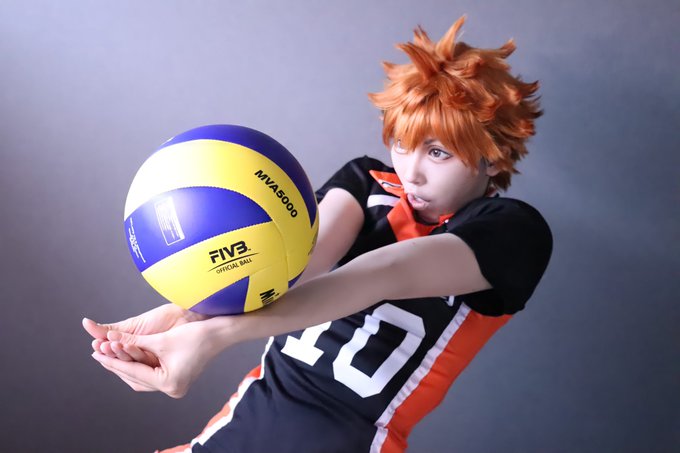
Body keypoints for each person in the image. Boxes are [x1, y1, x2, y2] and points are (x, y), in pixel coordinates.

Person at [83, 16, 552, 453]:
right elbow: (292, 266)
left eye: (438, 153)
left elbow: (383, 274)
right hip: (234, 433)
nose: (412, 172)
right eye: (402, 144)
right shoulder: (366, 182)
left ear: (492, 156)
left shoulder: (513, 232)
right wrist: (186, 313)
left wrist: (211, 337)